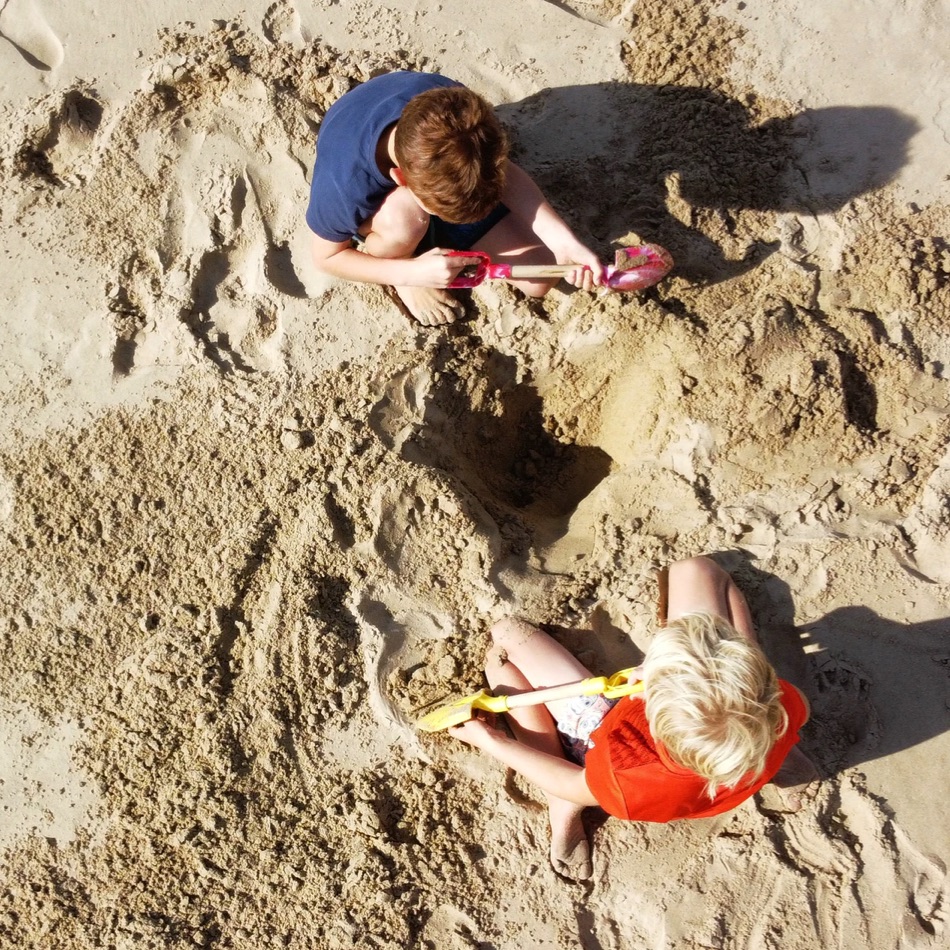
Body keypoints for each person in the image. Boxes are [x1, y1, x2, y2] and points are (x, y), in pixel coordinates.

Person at [450, 556, 819, 881]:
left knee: (505, 642)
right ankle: (781, 760)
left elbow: (577, 783)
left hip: (603, 749)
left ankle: (561, 809)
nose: (638, 675)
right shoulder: (780, 704)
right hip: (746, 753)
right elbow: (744, 686)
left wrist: (491, 741)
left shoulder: (626, 773)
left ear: (648, 706)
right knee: (695, 571)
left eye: (649, 679)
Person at [306, 71, 603, 327]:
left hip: (425, 154)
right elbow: (327, 257)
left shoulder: (462, 111)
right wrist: (410, 273)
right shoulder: (343, 184)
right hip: (390, 208)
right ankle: (401, 259)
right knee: (405, 220)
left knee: (539, 278)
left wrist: (562, 241)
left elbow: (508, 174)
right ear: (401, 179)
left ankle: (435, 229)